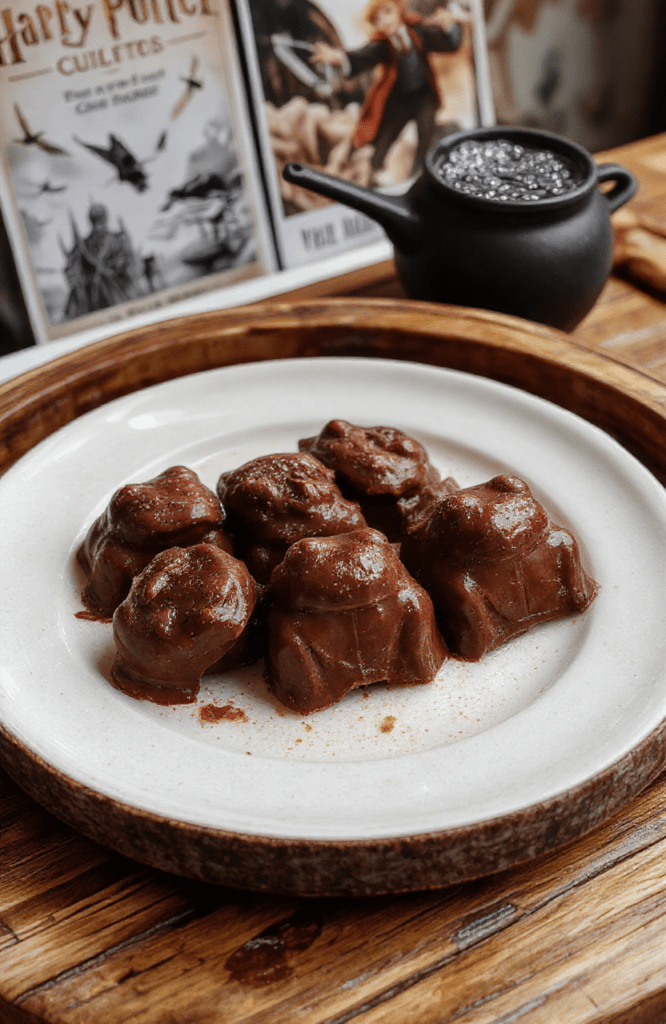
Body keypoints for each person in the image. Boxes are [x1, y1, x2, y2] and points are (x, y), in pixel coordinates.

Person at [311, 0, 465, 183]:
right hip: (399, 99)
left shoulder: (418, 31)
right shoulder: (382, 45)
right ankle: (373, 170)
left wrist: (449, 27)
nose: (384, 20)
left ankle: (419, 174)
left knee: (426, 133)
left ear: (399, 11)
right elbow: (362, 56)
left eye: (387, 12)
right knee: (385, 137)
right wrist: (337, 57)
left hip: (424, 95)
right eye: (377, 18)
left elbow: (448, 44)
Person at [63, 203, 138, 319]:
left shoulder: (116, 238)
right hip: (92, 291)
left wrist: (114, 268)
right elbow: (70, 269)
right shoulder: (83, 244)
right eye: (96, 219)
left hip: (116, 286)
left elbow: (128, 261)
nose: (99, 222)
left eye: (100, 218)